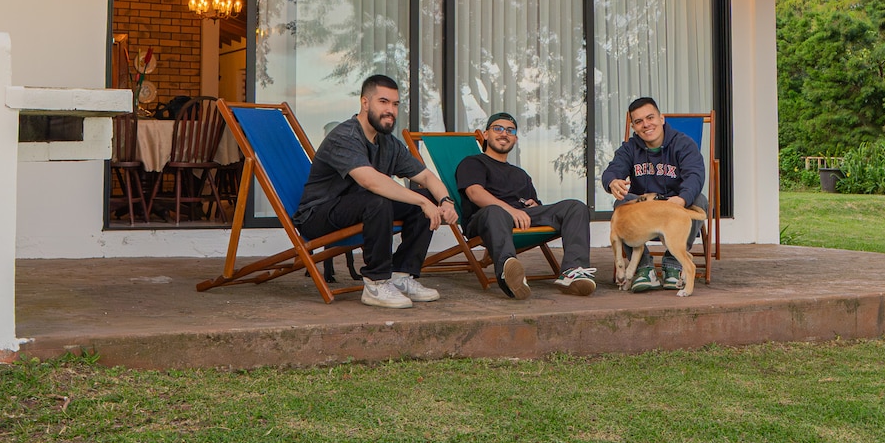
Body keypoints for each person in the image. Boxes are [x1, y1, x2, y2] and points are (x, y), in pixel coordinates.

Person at [293, 74, 458, 309]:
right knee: (381, 199)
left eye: (395, 104)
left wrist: (445, 201)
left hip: (360, 208)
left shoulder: (388, 143)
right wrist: (422, 203)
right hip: (318, 215)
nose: (390, 110)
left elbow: (426, 177)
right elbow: (371, 181)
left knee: (426, 196)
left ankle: (401, 275)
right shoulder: (345, 136)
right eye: (383, 102)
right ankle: (376, 283)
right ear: (365, 102)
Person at [456, 112, 597, 298]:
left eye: (510, 130)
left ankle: (573, 272)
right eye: (498, 128)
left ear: (515, 139)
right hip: (485, 218)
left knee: (575, 207)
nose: (504, 133)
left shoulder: (520, 174)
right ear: (486, 134)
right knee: (495, 211)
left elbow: (534, 204)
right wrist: (511, 211)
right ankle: (509, 274)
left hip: (520, 218)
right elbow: (475, 193)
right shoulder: (473, 162)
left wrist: (534, 206)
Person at [600, 97, 706, 292]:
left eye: (650, 118)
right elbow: (612, 170)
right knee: (622, 204)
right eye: (639, 121)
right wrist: (612, 181)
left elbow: (695, 175)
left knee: (699, 200)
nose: (646, 125)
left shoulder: (683, 144)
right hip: (644, 209)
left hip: (675, 204)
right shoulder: (630, 148)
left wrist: (682, 199)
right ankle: (644, 268)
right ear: (634, 127)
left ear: (661, 118)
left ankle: (674, 263)